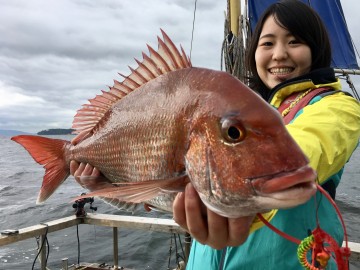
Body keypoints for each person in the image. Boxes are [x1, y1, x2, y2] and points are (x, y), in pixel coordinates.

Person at [71, 0, 360, 269]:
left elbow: (311, 145)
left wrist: (240, 198)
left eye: (295, 42)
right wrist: (104, 186)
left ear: (317, 48)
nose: (279, 54)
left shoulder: (338, 107)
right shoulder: (241, 104)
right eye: (267, 43)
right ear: (254, 52)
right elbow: (168, 195)